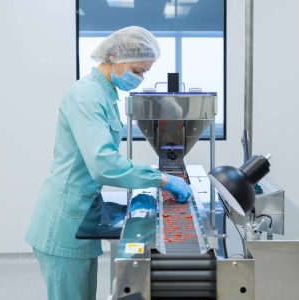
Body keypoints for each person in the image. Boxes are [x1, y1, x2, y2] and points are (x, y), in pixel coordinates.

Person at [25, 26, 192, 300]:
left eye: (145, 72)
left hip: (81, 213)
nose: (140, 77)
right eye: (137, 71)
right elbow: (104, 164)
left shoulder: (106, 95)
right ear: (115, 55)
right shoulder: (86, 96)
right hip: (63, 222)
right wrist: (160, 179)